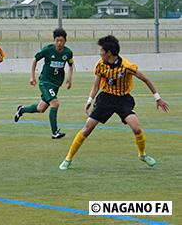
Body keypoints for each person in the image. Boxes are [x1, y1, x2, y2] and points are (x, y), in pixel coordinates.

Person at [59, 35, 170, 170]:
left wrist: (158, 98)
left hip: (123, 99)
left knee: (137, 128)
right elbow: (96, 85)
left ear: (109, 53)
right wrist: (90, 100)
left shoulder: (126, 66)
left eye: (101, 51)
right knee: (87, 129)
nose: (100, 53)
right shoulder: (100, 65)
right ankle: (68, 158)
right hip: (106, 99)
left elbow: (145, 79)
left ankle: (142, 155)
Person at [14, 28, 74, 139]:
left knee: (41, 108)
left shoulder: (68, 53)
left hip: (56, 84)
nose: (59, 43)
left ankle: (21, 109)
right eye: (57, 40)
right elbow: (35, 60)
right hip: (45, 82)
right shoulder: (48, 50)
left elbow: (70, 65)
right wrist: (32, 76)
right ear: (54, 40)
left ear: (65, 41)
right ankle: (54, 132)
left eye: (61, 41)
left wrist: (69, 79)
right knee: (55, 103)